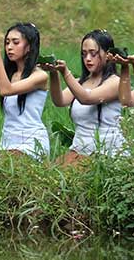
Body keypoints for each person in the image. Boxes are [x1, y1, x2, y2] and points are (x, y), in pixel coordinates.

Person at [0, 23, 50, 158]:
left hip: (32, 143)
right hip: (8, 142)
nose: (9, 47)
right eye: (7, 43)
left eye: (15, 42)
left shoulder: (39, 76)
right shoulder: (10, 76)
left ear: (29, 47)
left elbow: (7, 90)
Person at [46, 29, 124, 163]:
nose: (88, 59)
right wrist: (53, 74)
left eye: (93, 53)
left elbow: (86, 98)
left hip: (104, 154)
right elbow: (59, 101)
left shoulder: (115, 82)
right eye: (84, 54)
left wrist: (65, 73)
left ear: (108, 54)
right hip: (78, 150)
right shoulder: (80, 83)